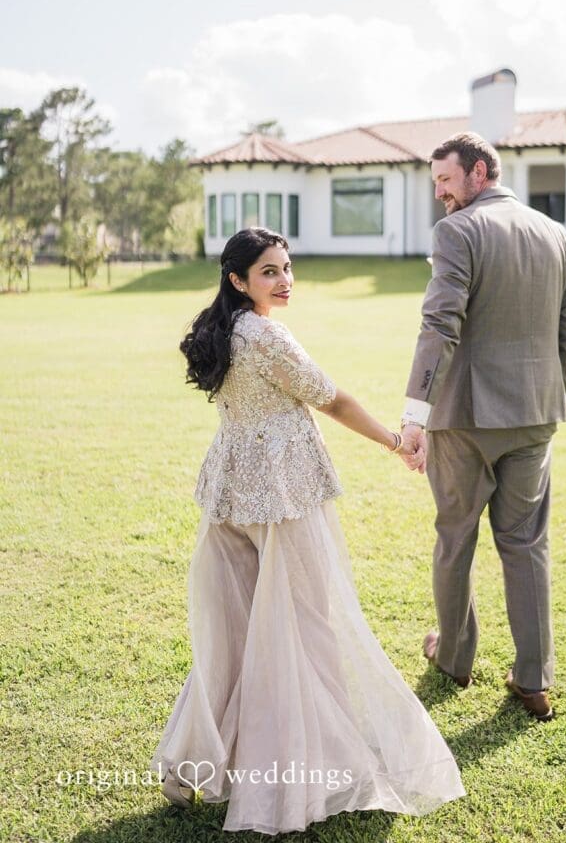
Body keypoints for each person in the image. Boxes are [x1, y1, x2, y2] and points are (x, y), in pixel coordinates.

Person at [149, 227, 465, 835]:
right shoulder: (263, 333)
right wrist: (395, 442)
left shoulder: (229, 327)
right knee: (305, 624)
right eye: (269, 271)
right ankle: (302, 773)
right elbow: (332, 399)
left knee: (240, 632)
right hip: (279, 494)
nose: (285, 280)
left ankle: (204, 762)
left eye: (287, 268)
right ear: (238, 279)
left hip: (234, 492)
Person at [400, 132, 566, 721]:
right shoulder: (555, 234)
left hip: (466, 419)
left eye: (446, 180)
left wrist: (414, 414)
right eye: (435, 183)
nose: (439, 194)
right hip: (535, 415)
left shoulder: (457, 232)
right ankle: (533, 679)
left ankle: (454, 658)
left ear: (479, 172)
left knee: (456, 538)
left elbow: (439, 325)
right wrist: (551, 397)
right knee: (526, 545)